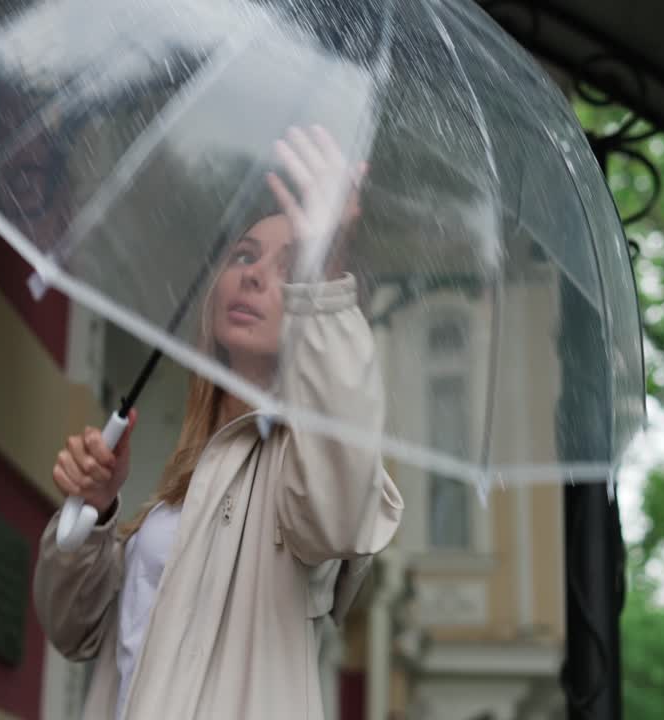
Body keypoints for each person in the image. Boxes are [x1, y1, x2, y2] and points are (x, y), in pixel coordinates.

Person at [32, 125, 404, 720]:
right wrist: (95, 513)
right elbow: (71, 628)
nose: (254, 275)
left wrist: (326, 269)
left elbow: (337, 507)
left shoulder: (306, 465)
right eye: (244, 256)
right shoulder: (182, 482)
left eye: (291, 267)